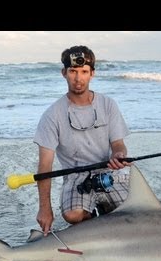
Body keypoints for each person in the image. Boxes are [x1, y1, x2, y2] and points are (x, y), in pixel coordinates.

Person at [33, 45, 132, 235]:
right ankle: (94, 225)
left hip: (108, 172)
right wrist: (45, 208)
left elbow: (118, 144)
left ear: (92, 73)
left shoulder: (108, 104)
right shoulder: (52, 115)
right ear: (64, 73)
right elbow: (45, 166)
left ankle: (106, 215)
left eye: (84, 72)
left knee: (132, 213)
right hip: (75, 175)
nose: (78, 78)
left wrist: (119, 155)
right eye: (73, 71)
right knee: (73, 215)